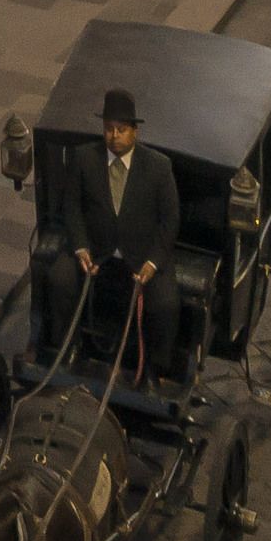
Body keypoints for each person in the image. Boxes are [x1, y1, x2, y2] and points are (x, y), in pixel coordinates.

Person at [63, 87, 181, 379]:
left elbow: (170, 221)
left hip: (141, 258)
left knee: (165, 304)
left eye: (121, 130)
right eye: (108, 129)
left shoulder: (158, 167)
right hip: (97, 253)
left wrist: (152, 263)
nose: (114, 136)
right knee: (58, 278)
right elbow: (72, 208)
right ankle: (67, 345)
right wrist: (81, 247)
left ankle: (154, 369)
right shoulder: (83, 159)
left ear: (134, 132)